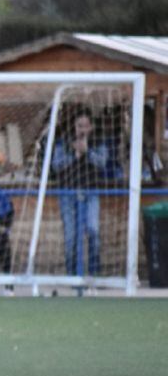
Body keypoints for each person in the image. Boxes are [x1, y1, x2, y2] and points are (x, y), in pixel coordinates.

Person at [51, 112, 108, 277]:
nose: (82, 129)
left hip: (90, 193)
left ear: (91, 127)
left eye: (85, 125)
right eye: (79, 126)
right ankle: (72, 275)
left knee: (93, 231)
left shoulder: (98, 142)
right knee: (71, 237)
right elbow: (55, 165)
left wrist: (87, 151)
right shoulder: (64, 142)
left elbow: (103, 162)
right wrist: (74, 156)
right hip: (68, 193)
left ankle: (94, 274)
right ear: (74, 127)